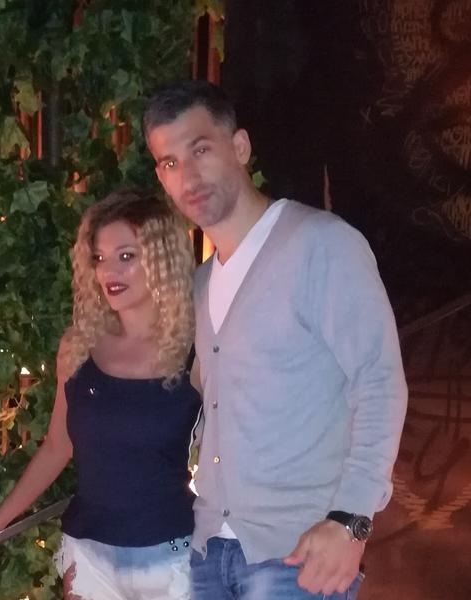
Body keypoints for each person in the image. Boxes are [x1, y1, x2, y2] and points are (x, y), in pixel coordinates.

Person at [142, 80, 408, 600]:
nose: (188, 176)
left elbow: (379, 383)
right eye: (170, 163)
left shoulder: (320, 245)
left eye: (200, 150)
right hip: (210, 552)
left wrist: (351, 520)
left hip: (298, 553)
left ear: (239, 146)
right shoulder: (201, 284)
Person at [0, 188, 201, 600]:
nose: (109, 271)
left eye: (126, 256)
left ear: (162, 259)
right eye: (99, 258)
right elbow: (56, 447)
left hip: (170, 555)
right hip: (89, 552)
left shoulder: (198, 349)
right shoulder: (79, 346)